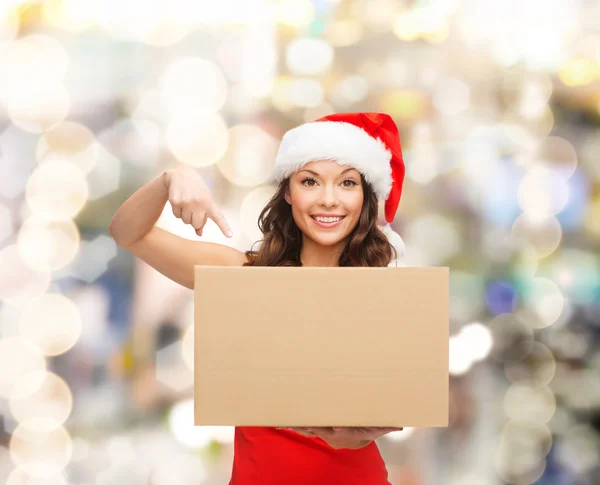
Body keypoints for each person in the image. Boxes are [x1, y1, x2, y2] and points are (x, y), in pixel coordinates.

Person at [109, 112, 407, 484]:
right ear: (287, 192)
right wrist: (171, 180)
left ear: (364, 197)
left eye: (346, 183)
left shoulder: (381, 294)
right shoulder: (244, 277)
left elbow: (400, 405)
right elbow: (127, 233)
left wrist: (370, 428)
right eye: (310, 181)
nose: (328, 200)